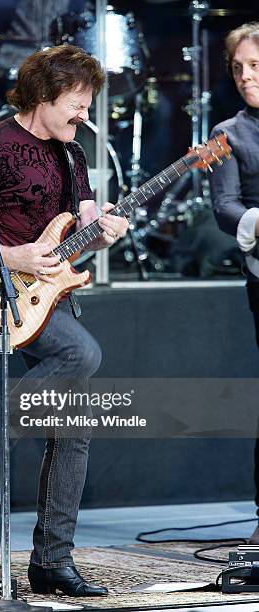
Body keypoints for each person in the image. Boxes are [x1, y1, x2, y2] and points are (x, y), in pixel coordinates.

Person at [0, 44, 129, 596]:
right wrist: (14, 256)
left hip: (47, 288)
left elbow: (71, 248)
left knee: (74, 428)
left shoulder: (72, 154)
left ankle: (52, 562)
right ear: (44, 97)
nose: (84, 115)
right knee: (81, 353)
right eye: (75, 103)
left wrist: (103, 233)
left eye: (88, 103)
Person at [208, 21, 259, 544]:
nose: (246, 77)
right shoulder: (227, 135)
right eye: (239, 68)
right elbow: (224, 209)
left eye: (257, 67)